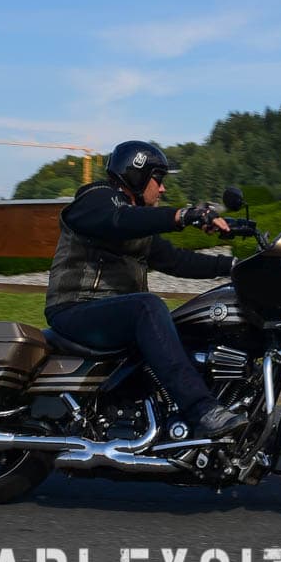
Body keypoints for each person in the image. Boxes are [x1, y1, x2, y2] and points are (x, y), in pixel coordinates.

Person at [44, 141, 246, 439]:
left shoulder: (136, 224)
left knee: (192, 325)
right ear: (137, 175)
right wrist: (183, 215)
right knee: (147, 306)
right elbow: (117, 220)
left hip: (112, 314)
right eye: (158, 179)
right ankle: (201, 411)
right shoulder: (94, 200)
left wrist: (235, 266)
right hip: (74, 309)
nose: (162, 190)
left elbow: (177, 261)